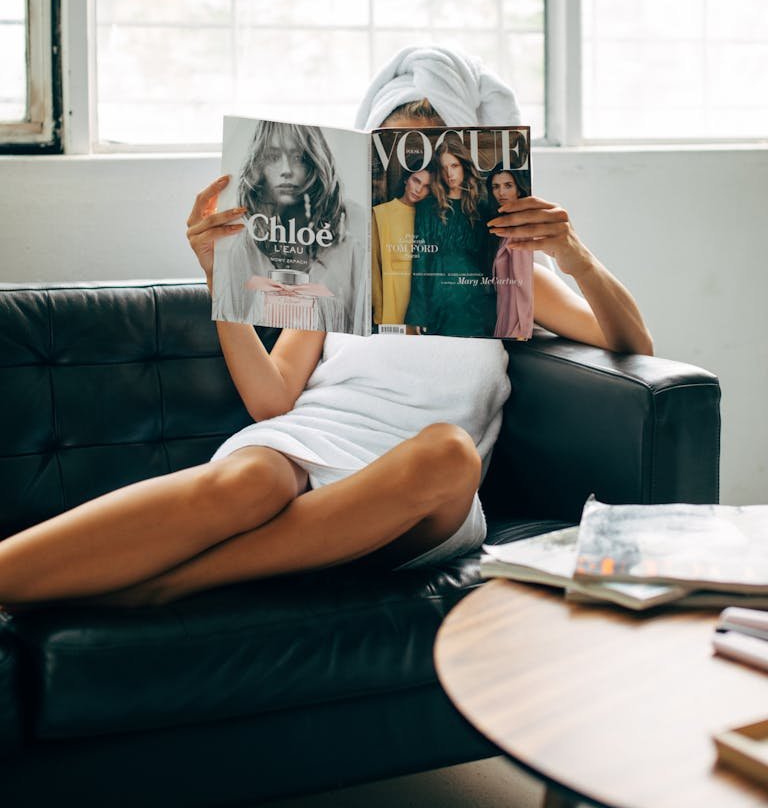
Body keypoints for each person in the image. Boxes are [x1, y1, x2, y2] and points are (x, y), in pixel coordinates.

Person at [0, 47, 653, 610]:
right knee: (248, 480)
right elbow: (272, 401)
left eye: (438, 157)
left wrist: (576, 256)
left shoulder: (505, 269)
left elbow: (633, 347)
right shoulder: (336, 258)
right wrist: (218, 277)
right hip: (311, 442)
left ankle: (175, 583)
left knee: (448, 453)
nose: (420, 175)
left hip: (416, 493)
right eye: (397, 156)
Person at [212, 121, 368, 334]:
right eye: (273, 157)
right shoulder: (243, 247)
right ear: (259, 164)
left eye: (298, 158)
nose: (286, 171)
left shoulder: (349, 243)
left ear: (314, 163)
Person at [405, 133, 498, 337]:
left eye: (454, 166)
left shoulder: (481, 208)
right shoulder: (427, 208)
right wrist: (418, 314)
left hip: (475, 299)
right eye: (444, 168)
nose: (450, 174)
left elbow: (488, 261)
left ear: (464, 166)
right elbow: (420, 260)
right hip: (439, 297)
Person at [371, 165, 433, 328]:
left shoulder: (431, 218)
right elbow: (374, 267)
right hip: (392, 304)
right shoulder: (381, 213)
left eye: (426, 186)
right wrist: (379, 309)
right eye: (416, 181)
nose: (419, 189)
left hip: (423, 307)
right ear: (406, 179)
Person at [487, 163, 534, 340]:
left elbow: (524, 286)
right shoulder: (504, 227)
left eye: (508, 185)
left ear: (519, 189)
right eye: (496, 187)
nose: (501, 193)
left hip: (516, 324)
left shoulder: (522, 231)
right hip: (504, 314)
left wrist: (522, 330)